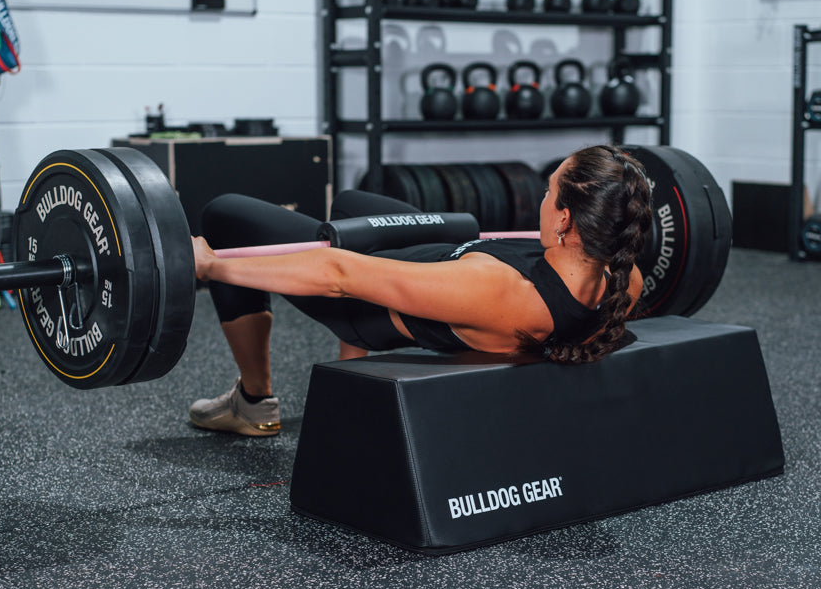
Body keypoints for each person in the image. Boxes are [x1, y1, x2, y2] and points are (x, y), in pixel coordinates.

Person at [189, 144, 653, 436]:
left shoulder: (502, 291)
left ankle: (253, 400)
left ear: (567, 219)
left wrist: (210, 265)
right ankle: (349, 388)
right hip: (440, 269)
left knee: (226, 214)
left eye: (549, 192)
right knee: (353, 204)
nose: (541, 201)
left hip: (365, 304)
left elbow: (339, 275)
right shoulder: (621, 277)